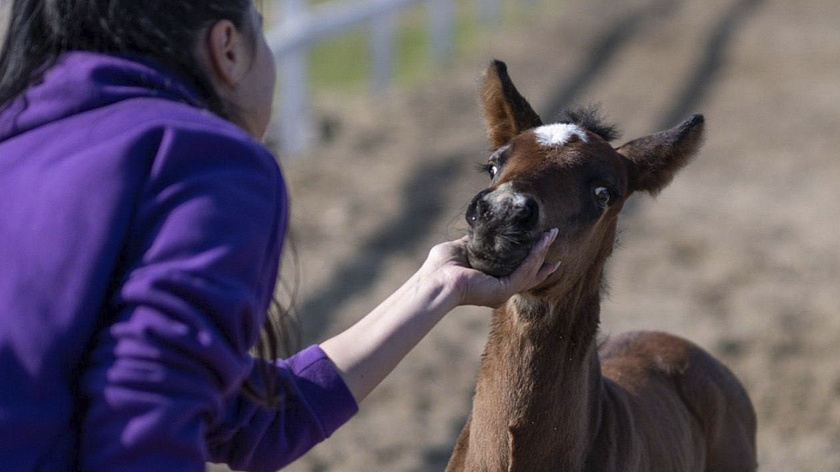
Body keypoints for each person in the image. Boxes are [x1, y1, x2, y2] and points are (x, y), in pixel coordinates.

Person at [0, 1, 559, 470]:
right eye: (260, 33)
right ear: (228, 49)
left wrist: (438, 287)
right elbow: (143, 425)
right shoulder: (200, 158)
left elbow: (251, 417)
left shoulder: (21, 151)